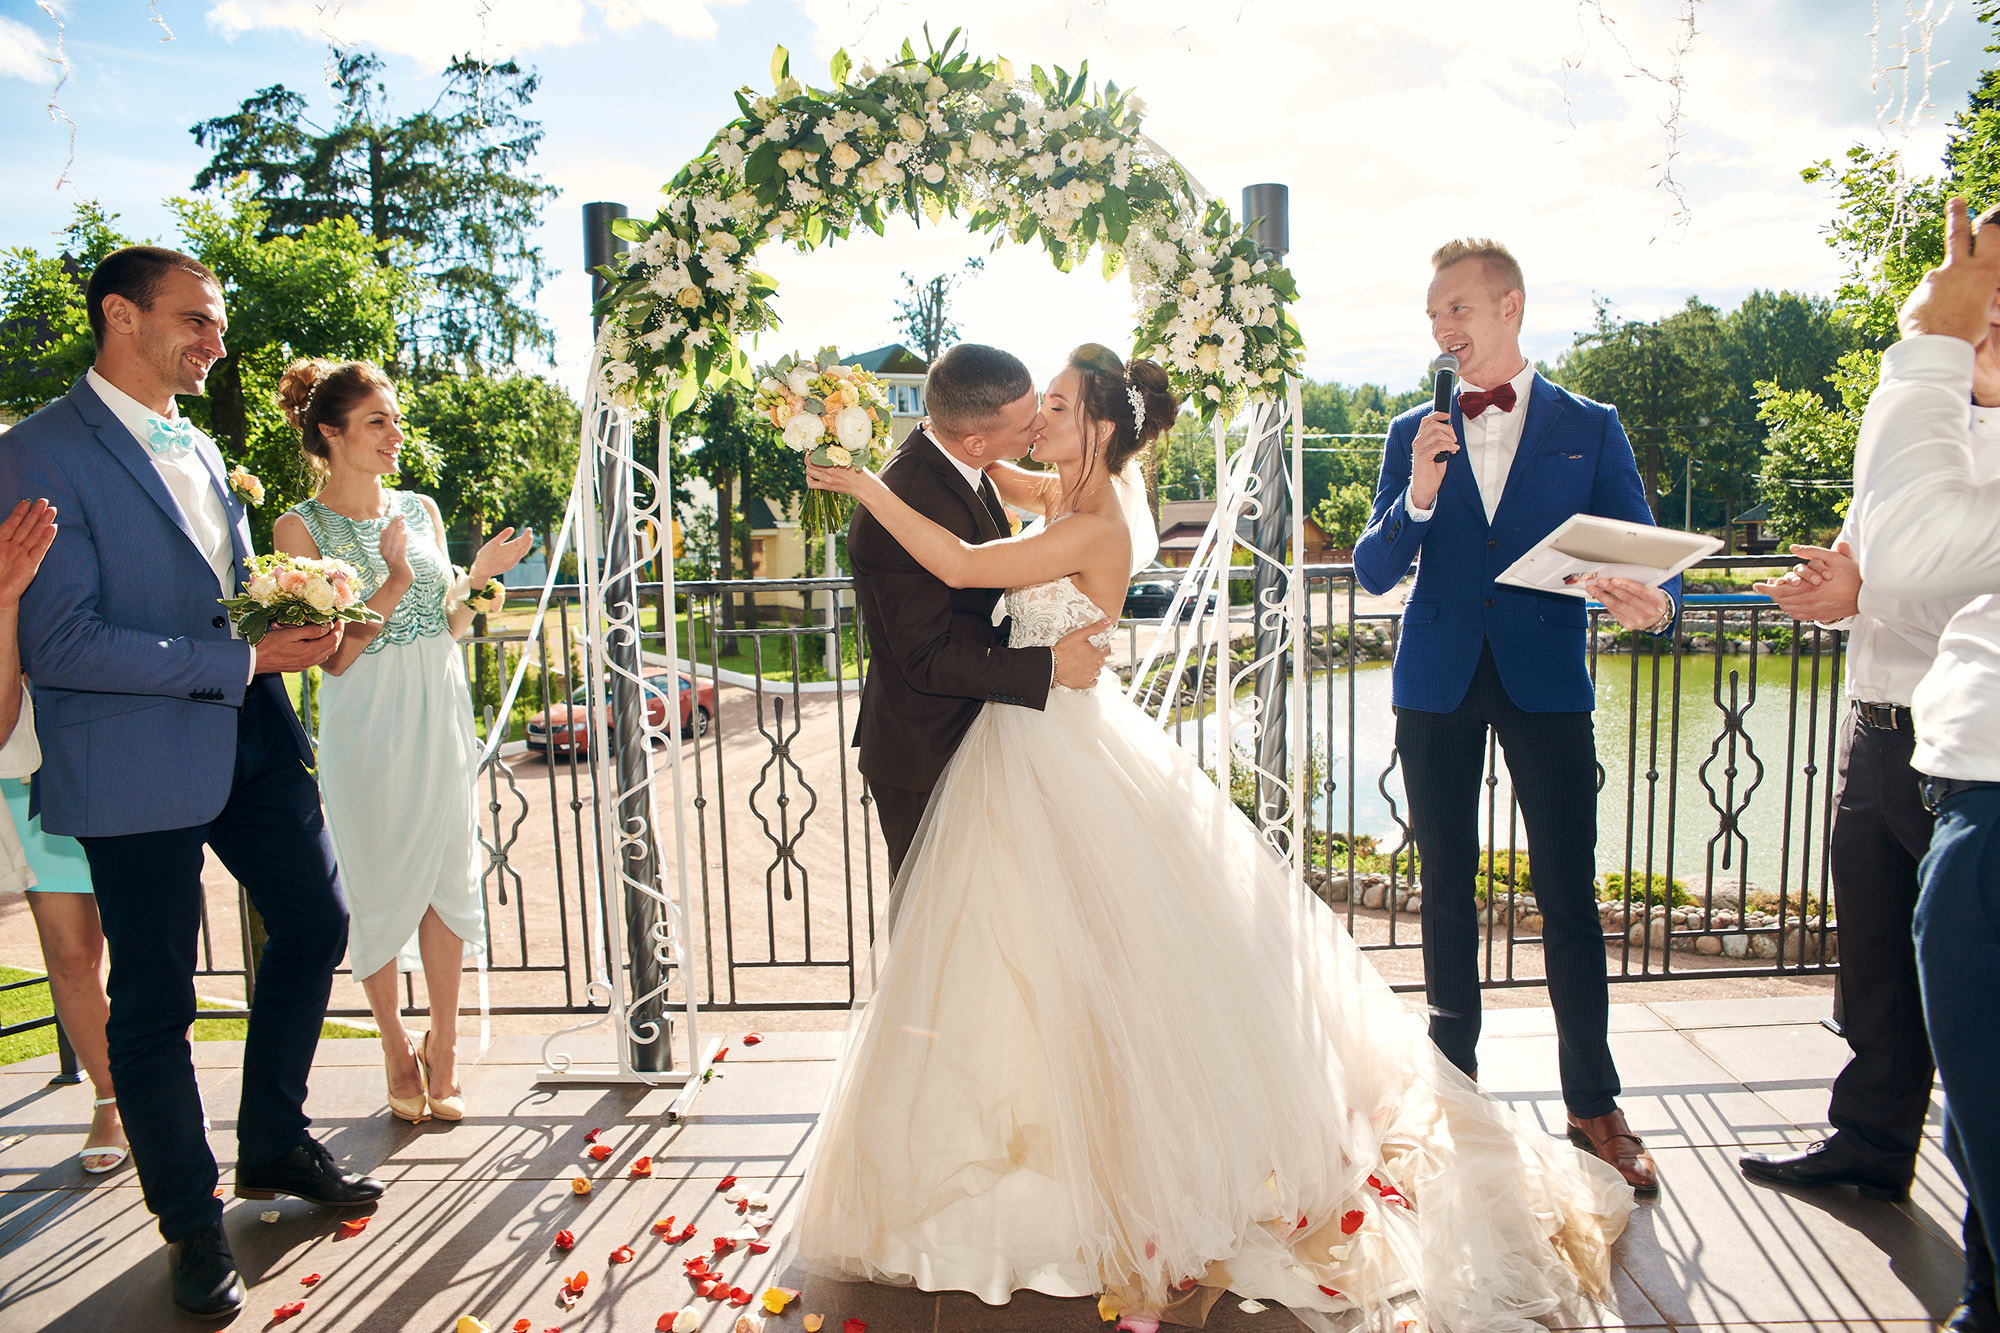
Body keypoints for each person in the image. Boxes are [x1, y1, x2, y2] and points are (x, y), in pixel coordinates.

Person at [791, 343, 1635, 1333]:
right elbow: (986, 484)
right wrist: (902, 461)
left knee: (1075, 955)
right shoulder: (1067, 478)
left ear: (1094, 428)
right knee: (1035, 956)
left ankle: (1098, 1157)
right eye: (1034, 409)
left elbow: (961, 561)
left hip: (1050, 739)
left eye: (1053, 406)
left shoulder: (1097, 513)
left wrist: (856, 482)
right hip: (1018, 741)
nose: (1036, 422)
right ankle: (1020, 1137)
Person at [0, 246, 382, 1321]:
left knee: (315, 919)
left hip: (250, 736)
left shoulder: (204, 449)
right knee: (155, 999)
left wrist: (282, 611)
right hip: (129, 755)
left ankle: (273, 1141)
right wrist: (242, 658)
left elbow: (211, 592)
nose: (216, 341)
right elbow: (63, 640)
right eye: (197, 321)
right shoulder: (36, 453)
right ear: (120, 316)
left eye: (214, 324)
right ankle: (188, 1220)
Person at [1351, 238, 1681, 1196]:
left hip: (1545, 682)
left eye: (1456, 309)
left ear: (1510, 306)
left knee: (1569, 896)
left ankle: (1595, 1103)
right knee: (1447, 890)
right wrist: (1415, 490)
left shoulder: (1592, 425)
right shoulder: (1412, 428)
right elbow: (1375, 569)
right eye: (1432, 317)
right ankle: (1456, 1098)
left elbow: (1646, 562)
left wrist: (1652, 605)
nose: (1443, 329)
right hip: (1437, 680)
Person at [273, 357, 532, 1126]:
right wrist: (388, 579)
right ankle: (393, 1046)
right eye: (377, 421)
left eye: (394, 419)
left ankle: (444, 1046)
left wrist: (477, 581)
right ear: (332, 432)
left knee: (449, 872)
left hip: (437, 700)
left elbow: (446, 623)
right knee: (380, 881)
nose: (395, 434)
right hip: (366, 717)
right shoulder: (299, 527)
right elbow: (337, 654)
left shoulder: (419, 507)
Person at [1846, 197, 2000, 1333]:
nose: (1968, 311)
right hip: (1958, 782)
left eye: (1983, 291)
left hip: (1987, 805)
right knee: (1976, 1113)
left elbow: (1907, 546)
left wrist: (1925, 345)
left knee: (1986, 1103)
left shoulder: (1946, 388)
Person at [1739, 514, 1977, 1201]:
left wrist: (1864, 593)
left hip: (1953, 745)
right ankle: (1872, 1142)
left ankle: (1982, 1206)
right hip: (1870, 730)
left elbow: (1975, 601)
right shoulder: (1892, 452)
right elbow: (1853, 590)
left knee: (1966, 976)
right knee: (1874, 960)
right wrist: (1819, 594)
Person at [845, 342, 1109, 903]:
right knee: (935, 929)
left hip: (990, 735)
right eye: (1027, 421)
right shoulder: (903, 503)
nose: (1037, 424)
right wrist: (1052, 666)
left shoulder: (968, 465)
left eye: (1045, 407)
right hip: (927, 750)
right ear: (977, 441)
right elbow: (925, 658)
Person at [0, 500, 116, 1172]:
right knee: (72, 951)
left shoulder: (53, 483)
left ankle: (160, 1079)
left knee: (147, 938)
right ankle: (110, 1094)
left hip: (114, 740)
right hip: (26, 764)